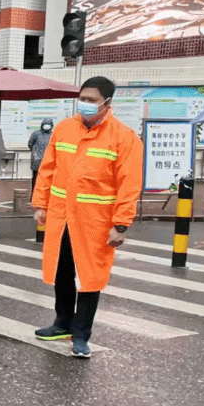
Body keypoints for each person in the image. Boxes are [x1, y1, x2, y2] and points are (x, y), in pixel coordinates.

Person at [32, 76, 142, 358]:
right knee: (62, 270)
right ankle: (62, 323)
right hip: (61, 216)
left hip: (96, 221)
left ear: (107, 103)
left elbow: (129, 184)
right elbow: (47, 169)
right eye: (83, 99)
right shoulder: (64, 129)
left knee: (90, 278)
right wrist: (40, 203)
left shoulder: (124, 137)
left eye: (92, 100)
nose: (85, 104)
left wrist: (121, 224)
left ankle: (81, 335)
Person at [27, 118, 55, 191]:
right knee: (35, 177)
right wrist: (35, 153)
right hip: (37, 160)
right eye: (45, 124)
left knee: (47, 178)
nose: (47, 126)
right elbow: (30, 144)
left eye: (48, 124)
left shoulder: (53, 135)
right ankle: (33, 193)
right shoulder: (36, 134)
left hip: (48, 160)